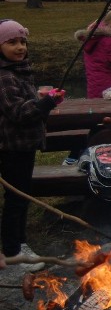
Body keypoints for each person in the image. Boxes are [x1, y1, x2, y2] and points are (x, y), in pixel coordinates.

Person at [0, 20, 65, 272]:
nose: (19, 47)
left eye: (23, 42)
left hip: (24, 145)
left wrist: (44, 101)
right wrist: (45, 103)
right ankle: (14, 250)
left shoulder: (19, 70)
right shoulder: (4, 77)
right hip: (12, 146)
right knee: (17, 198)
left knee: (21, 196)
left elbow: (29, 107)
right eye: (12, 42)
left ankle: (19, 242)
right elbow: (18, 113)